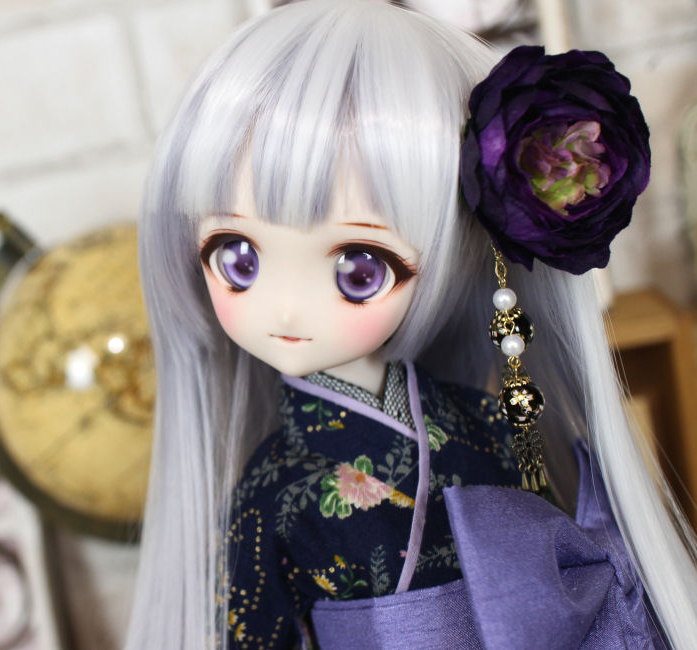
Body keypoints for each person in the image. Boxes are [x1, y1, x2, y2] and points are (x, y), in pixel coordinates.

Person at [125, 1, 697, 648]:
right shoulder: (274, 490)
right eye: (238, 258)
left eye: (358, 269)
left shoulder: (482, 427)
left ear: (451, 254)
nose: (284, 309)